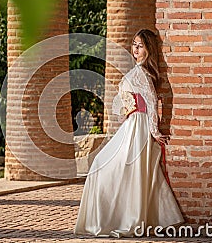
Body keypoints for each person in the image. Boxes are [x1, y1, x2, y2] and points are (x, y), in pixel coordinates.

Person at [74, 29, 184, 238]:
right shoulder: (137, 71)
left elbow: (152, 102)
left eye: (140, 45)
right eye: (134, 44)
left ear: (149, 50)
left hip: (139, 127)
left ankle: (127, 218)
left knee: (117, 169)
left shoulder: (142, 74)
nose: (135, 49)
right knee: (103, 165)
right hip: (131, 124)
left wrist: (154, 131)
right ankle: (117, 217)